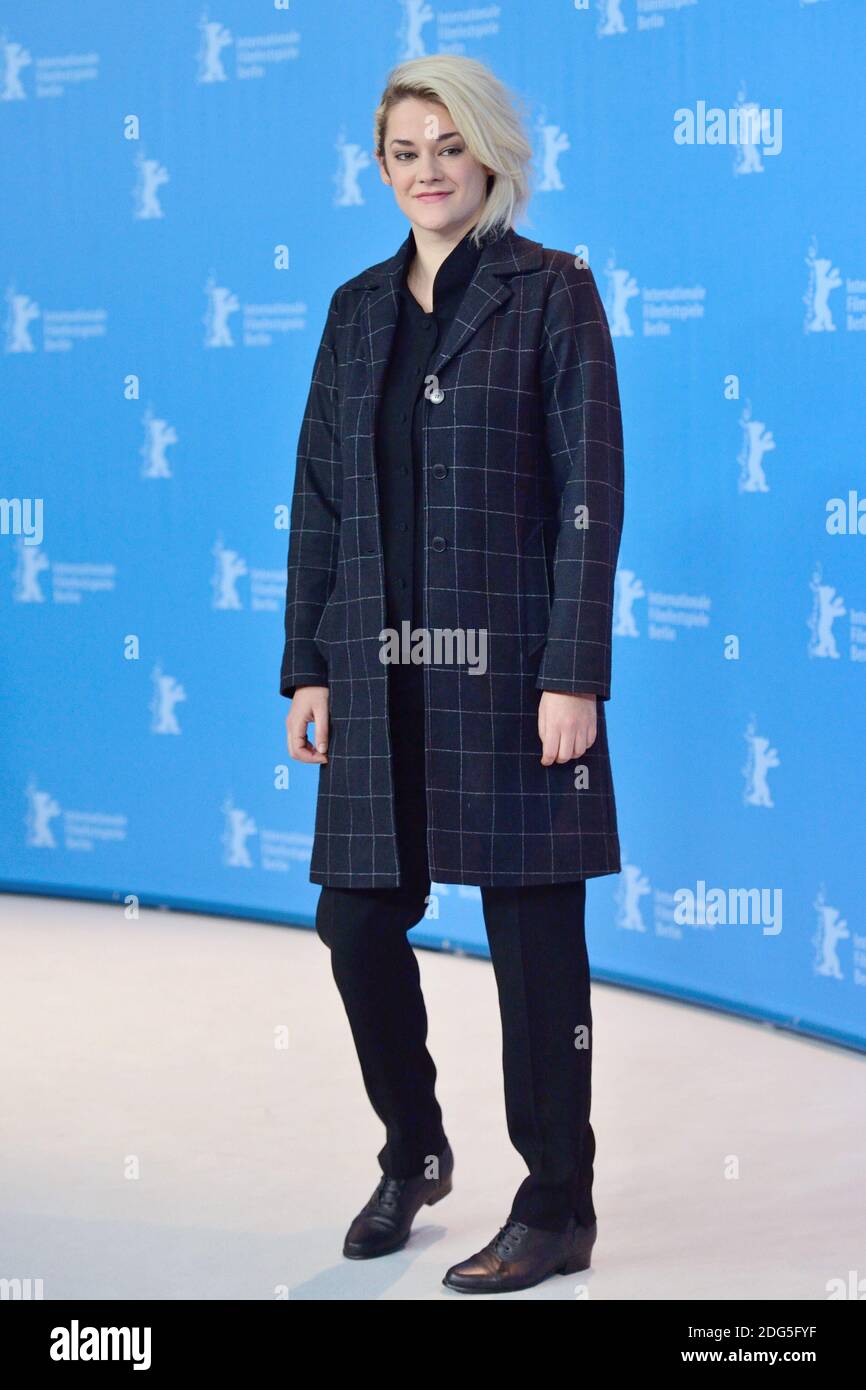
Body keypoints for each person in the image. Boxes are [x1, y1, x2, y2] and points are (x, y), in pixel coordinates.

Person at [280, 54, 624, 1295]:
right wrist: (308, 665)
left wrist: (570, 670)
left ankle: (556, 1205)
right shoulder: (353, 309)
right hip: (377, 674)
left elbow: (591, 492)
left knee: (535, 942)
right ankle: (414, 1149)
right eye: (401, 153)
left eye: (445, 147)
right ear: (380, 168)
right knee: (353, 920)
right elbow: (319, 497)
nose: (425, 171)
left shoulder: (552, 292)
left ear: (488, 154)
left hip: (513, 669)